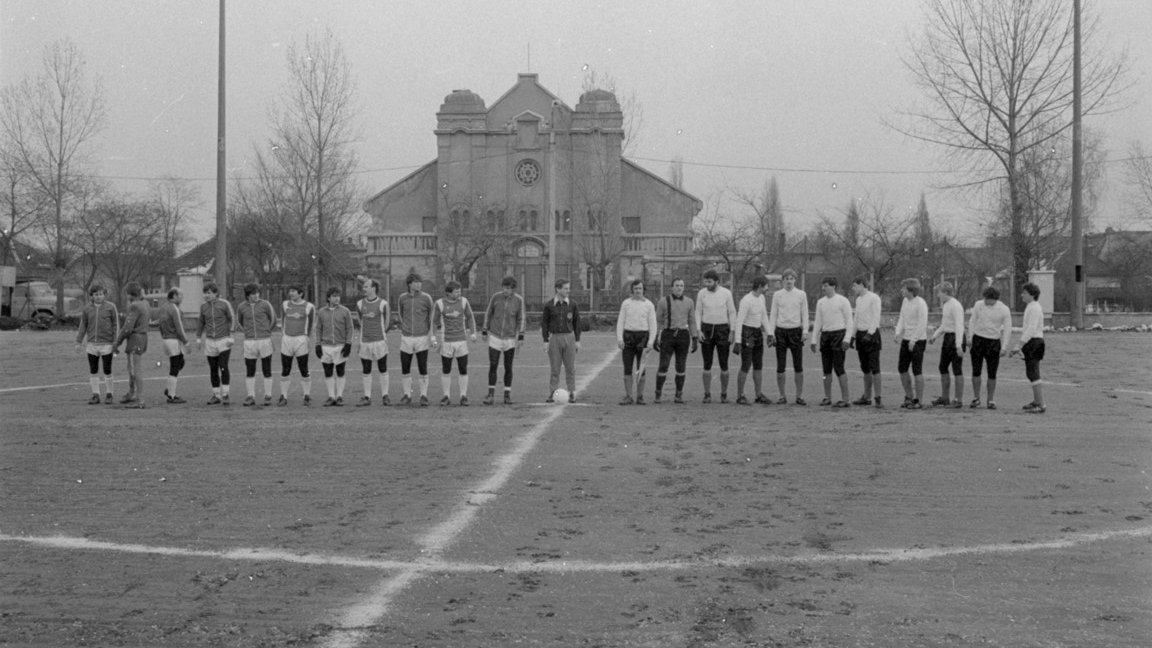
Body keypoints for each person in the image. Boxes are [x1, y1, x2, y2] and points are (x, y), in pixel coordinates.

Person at [966, 285, 1012, 409]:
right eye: (985, 299)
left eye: (989, 299)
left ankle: (990, 399)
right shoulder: (978, 305)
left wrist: (1005, 346)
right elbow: (972, 321)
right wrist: (970, 337)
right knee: (976, 370)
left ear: (995, 299)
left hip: (993, 342)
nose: (986, 301)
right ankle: (976, 398)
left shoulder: (1004, 309)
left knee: (992, 373)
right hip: (978, 340)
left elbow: (1008, 328)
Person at [811, 277, 855, 407]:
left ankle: (845, 398)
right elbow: (818, 322)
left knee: (839, 368)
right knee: (826, 370)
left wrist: (847, 339)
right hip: (826, 336)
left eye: (826, 285)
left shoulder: (843, 301)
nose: (823, 288)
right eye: (822, 286)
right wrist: (814, 339)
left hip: (839, 335)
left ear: (833, 286)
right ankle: (827, 396)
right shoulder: (820, 303)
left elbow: (849, 321)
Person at [694, 269, 736, 403]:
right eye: (705, 281)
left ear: (717, 281)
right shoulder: (701, 293)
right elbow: (698, 312)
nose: (707, 284)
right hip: (707, 329)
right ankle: (707, 394)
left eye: (709, 281)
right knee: (707, 364)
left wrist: (732, 331)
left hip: (722, 329)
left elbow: (732, 312)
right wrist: (698, 330)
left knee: (724, 364)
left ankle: (724, 394)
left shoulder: (726, 293)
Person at [768, 268, 810, 405]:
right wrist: (771, 332)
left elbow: (805, 314)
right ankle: (782, 395)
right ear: (782, 280)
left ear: (795, 280)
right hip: (780, 333)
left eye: (791, 279)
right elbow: (773, 314)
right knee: (781, 366)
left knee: (798, 366)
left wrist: (804, 331)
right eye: (786, 279)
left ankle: (799, 396)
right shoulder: (777, 295)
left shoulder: (801, 294)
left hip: (795, 333)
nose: (789, 281)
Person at [481, 276, 525, 405]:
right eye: (504, 288)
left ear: (513, 289)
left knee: (508, 367)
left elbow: (521, 318)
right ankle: (490, 395)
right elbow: (488, 313)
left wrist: (521, 335)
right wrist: (485, 329)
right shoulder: (496, 297)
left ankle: (507, 395)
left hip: (510, 338)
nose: (505, 290)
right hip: (495, 336)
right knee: (493, 365)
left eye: (508, 288)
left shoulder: (519, 300)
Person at [433, 280, 478, 406]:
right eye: (456, 291)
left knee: (463, 369)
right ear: (448, 293)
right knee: (446, 369)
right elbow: (434, 321)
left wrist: (473, 332)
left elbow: (470, 317)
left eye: (459, 291)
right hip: (446, 341)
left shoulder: (464, 302)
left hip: (461, 341)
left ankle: (463, 396)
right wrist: (433, 337)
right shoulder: (440, 304)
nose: (459, 293)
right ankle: (446, 396)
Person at [653, 277, 698, 404]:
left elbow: (692, 321)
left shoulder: (689, 302)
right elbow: (658, 320)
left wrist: (694, 337)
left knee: (681, 365)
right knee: (664, 365)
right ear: (672, 287)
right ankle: (658, 393)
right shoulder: (663, 301)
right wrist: (655, 336)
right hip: (668, 335)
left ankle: (679, 394)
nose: (679, 288)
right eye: (677, 285)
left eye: (681, 285)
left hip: (683, 335)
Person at [74, 284, 119, 405]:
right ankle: (96, 394)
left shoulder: (111, 307)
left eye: (101, 294)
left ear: (104, 295)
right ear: (92, 296)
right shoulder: (87, 309)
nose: (99, 297)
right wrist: (78, 342)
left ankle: (109, 394)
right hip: (92, 345)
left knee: (107, 369)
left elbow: (115, 325)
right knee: (93, 370)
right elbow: (83, 325)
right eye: (96, 294)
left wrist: (115, 342)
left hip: (107, 344)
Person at [732, 275, 772, 405]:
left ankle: (758, 394)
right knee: (746, 365)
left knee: (758, 365)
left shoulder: (761, 298)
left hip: (757, 333)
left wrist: (770, 333)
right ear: (760, 286)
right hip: (747, 333)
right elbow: (739, 321)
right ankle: (740, 395)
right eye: (766, 286)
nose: (767, 288)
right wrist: (738, 341)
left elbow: (764, 316)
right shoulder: (746, 300)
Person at [616, 279, 657, 405]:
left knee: (641, 368)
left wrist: (651, 341)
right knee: (627, 368)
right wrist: (620, 338)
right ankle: (629, 396)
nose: (638, 291)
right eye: (635, 288)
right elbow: (621, 321)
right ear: (632, 290)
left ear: (643, 290)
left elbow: (653, 324)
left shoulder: (649, 305)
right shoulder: (626, 303)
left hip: (643, 338)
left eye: (640, 288)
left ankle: (640, 396)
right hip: (628, 336)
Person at [236, 283, 277, 407]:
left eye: (257, 293)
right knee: (250, 370)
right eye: (253, 293)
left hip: (264, 340)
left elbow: (273, 319)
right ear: (248, 295)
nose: (256, 295)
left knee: (266, 369)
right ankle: (250, 396)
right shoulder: (241, 307)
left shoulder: (265, 304)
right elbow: (239, 321)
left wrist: (267, 331)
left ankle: (268, 395)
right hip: (249, 342)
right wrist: (246, 332)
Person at [398, 273, 435, 406]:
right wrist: (406, 328)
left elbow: (431, 317)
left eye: (420, 282)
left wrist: (431, 335)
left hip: (422, 338)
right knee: (405, 367)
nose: (419, 284)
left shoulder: (427, 298)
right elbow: (401, 314)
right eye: (416, 282)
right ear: (409, 284)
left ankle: (423, 395)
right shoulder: (402, 298)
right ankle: (407, 395)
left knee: (422, 367)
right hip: (406, 338)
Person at [541, 278, 581, 403]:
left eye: (569, 288)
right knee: (555, 368)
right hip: (554, 338)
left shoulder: (572, 304)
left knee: (570, 368)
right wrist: (545, 340)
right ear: (558, 289)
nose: (568, 291)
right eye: (565, 288)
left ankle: (571, 392)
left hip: (569, 337)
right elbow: (545, 323)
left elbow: (577, 322)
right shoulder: (549, 305)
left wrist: (578, 340)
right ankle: (553, 392)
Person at [112, 282, 150, 409]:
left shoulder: (134, 306)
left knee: (135, 369)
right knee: (133, 368)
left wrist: (117, 342)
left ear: (129, 294)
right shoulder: (145, 303)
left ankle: (140, 399)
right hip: (143, 337)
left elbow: (127, 328)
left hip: (135, 339)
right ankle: (132, 393)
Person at [1010, 282, 1046, 414]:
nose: (1022, 295)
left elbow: (1031, 329)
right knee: (1031, 372)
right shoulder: (1031, 307)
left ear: (1032, 294)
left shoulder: (1034, 308)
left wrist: (1019, 344)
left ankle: (1041, 404)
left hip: (1034, 342)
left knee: (1034, 372)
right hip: (1032, 342)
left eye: (1024, 293)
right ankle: (1037, 401)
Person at [196, 283, 235, 405]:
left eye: (209, 293)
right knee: (213, 369)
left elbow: (232, 318)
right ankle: (216, 395)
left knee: (223, 366)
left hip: (223, 340)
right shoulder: (203, 307)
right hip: (210, 341)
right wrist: (198, 338)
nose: (206, 295)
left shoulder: (224, 304)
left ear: (215, 294)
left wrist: (231, 336)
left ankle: (225, 394)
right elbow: (201, 322)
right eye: (205, 293)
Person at [928, 281, 965, 408]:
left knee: (957, 369)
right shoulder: (946, 305)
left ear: (946, 293)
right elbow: (945, 325)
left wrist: (959, 345)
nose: (938, 295)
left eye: (939, 292)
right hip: (948, 337)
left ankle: (958, 399)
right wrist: (935, 336)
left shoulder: (956, 306)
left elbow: (959, 326)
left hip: (956, 338)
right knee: (943, 367)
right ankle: (945, 398)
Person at [316, 286, 355, 406]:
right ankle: (331, 396)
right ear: (328, 298)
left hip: (340, 346)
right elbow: (318, 329)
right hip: (326, 346)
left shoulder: (345, 311)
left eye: (338, 296)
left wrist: (348, 343)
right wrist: (318, 344)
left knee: (340, 371)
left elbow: (350, 328)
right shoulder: (321, 312)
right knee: (328, 371)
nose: (337, 298)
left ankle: (339, 396)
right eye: (334, 296)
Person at [356, 278, 392, 406]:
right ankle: (367, 397)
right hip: (365, 341)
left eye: (366, 286)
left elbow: (387, 324)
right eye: (364, 286)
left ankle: (385, 396)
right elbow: (361, 322)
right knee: (366, 369)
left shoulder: (383, 304)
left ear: (373, 288)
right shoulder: (360, 304)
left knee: (383, 368)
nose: (363, 289)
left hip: (380, 341)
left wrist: (380, 334)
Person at [894, 278, 929, 409]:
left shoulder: (921, 303)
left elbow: (922, 324)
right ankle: (909, 396)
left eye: (903, 288)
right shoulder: (905, 301)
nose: (901, 291)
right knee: (902, 368)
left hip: (918, 340)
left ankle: (918, 400)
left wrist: (914, 340)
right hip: (906, 339)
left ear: (911, 290)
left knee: (917, 370)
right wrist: (898, 333)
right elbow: (902, 318)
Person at [278, 285, 316, 406]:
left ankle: (306, 395)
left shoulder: (309, 307)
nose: (291, 293)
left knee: (303, 369)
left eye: (293, 291)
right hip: (287, 340)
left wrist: (307, 338)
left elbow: (311, 324)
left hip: (301, 340)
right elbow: (282, 320)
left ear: (300, 293)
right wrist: (283, 335)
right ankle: (283, 396)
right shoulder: (285, 305)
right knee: (285, 369)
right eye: (290, 291)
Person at [850, 276, 883, 407]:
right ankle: (867, 396)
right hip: (860, 335)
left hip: (872, 335)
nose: (853, 288)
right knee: (865, 368)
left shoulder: (874, 298)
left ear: (862, 285)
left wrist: (870, 333)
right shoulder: (858, 300)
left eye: (855, 286)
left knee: (875, 367)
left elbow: (876, 316)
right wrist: (852, 336)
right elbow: (856, 319)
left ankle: (878, 397)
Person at [157, 287, 190, 404]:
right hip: (173, 340)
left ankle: (169, 388)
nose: (182, 297)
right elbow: (179, 327)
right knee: (175, 367)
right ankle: (171, 395)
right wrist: (186, 341)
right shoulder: (174, 309)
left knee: (180, 362)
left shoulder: (163, 308)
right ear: (174, 296)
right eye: (180, 295)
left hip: (166, 339)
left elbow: (159, 325)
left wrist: (164, 336)